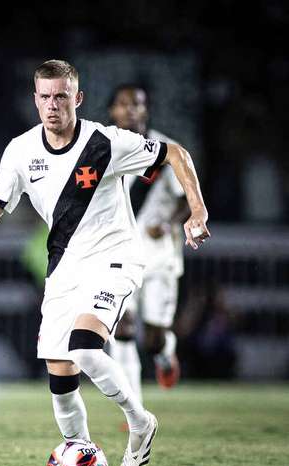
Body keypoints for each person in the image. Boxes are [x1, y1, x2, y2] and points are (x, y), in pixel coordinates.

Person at [0, 60, 209, 466]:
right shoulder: (21, 150)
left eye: (61, 96)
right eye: (44, 96)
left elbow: (175, 153)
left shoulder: (106, 142)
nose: (52, 105)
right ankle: (81, 458)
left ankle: (140, 423)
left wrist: (196, 209)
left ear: (77, 98)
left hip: (115, 258)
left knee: (84, 349)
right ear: (35, 100)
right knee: (60, 380)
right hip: (64, 269)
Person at [108, 84, 188, 398]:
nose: (129, 109)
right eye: (122, 103)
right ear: (112, 110)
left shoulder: (167, 149)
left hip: (159, 256)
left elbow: (185, 200)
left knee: (152, 337)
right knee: (122, 329)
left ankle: (165, 351)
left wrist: (169, 223)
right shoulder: (103, 147)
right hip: (118, 255)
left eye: (136, 104)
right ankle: (134, 407)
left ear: (146, 110)